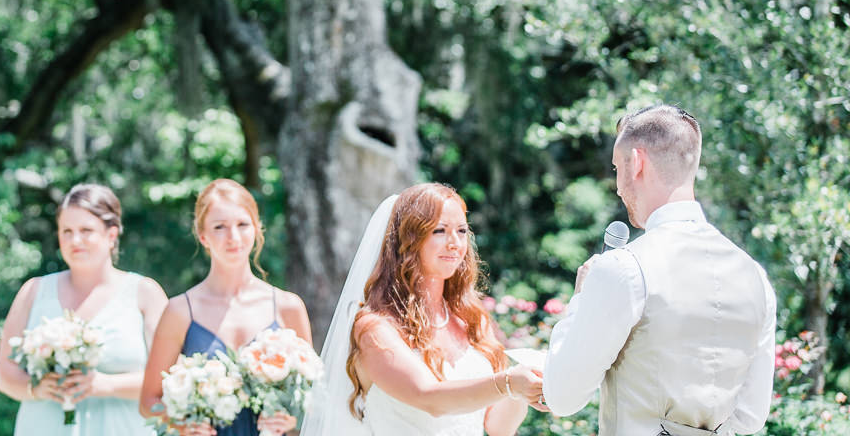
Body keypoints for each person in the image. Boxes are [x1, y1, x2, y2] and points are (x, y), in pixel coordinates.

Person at [542, 104, 777, 436]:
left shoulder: (626, 268)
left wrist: (579, 299)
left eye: (616, 168)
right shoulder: (755, 276)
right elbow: (750, 417)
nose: (619, 187)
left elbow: (563, 397)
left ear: (636, 163)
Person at [302, 183, 541, 436]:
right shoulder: (375, 327)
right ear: (408, 240)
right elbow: (429, 398)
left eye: (461, 230)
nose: (455, 243)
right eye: (439, 230)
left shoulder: (472, 319)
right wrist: (508, 383)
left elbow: (497, 427)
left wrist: (525, 388)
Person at [141, 178, 313, 436]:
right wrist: (181, 424)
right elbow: (148, 402)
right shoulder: (179, 311)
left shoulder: (288, 307)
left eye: (242, 225)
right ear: (203, 236)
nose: (233, 237)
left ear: (256, 229)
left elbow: (313, 400)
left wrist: (292, 420)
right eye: (219, 227)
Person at [0, 182, 169, 436]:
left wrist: (107, 384)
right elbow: (3, 375)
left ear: (111, 235)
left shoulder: (145, 293)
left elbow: (169, 379)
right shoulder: (33, 291)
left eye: (86, 230)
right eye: (66, 231)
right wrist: (38, 388)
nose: (75, 240)